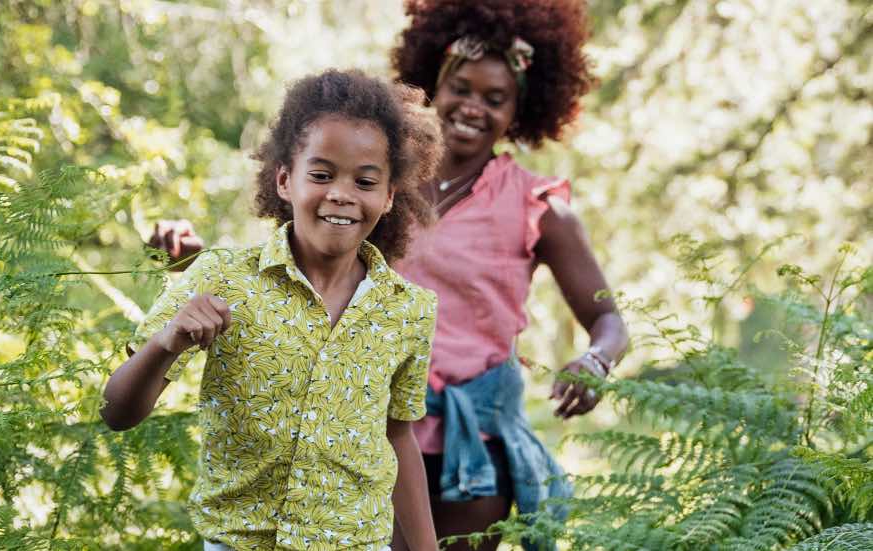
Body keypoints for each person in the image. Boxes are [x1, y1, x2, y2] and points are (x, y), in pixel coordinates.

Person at [101, 69, 444, 551]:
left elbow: (398, 437)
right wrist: (165, 342)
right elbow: (116, 412)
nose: (342, 194)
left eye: (364, 181)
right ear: (285, 180)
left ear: (389, 196)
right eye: (321, 175)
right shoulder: (222, 278)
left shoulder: (409, 310)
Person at [386, 1, 629, 549]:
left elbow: (608, 319)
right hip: (373, 428)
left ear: (518, 113)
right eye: (462, 89)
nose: (473, 108)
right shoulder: (382, 182)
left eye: (495, 99)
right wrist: (202, 261)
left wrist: (595, 360)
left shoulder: (537, 207)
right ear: (433, 88)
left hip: (474, 451)